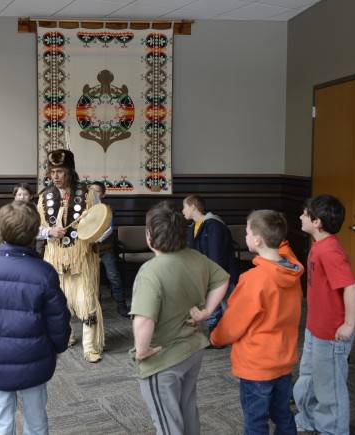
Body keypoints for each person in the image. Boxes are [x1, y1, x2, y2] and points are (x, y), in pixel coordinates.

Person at [0, 202, 71, 434]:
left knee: (0, 418)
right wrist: (58, 347)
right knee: (36, 419)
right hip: (34, 357)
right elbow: (58, 319)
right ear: (35, 232)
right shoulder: (44, 273)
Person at [131, 200, 229, 434]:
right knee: (187, 411)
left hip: (163, 360)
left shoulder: (150, 272)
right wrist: (206, 311)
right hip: (192, 351)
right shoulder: (195, 257)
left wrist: (142, 351)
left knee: (168, 425)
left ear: (148, 236)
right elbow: (222, 279)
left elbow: (144, 319)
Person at [207, 210, 303, 435]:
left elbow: (233, 323)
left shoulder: (254, 280)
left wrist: (215, 337)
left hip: (257, 366)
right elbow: (284, 249)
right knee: (283, 415)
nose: (246, 236)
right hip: (283, 361)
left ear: (258, 239)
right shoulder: (293, 270)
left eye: (248, 232)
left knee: (255, 422)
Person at [293, 194, 355, 435]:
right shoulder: (318, 245)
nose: (301, 216)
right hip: (315, 328)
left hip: (332, 335)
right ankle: (308, 419)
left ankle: (333, 430)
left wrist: (349, 324)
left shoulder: (330, 251)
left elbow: (351, 287)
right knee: (309, 379)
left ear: (317, 221)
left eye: (305, 213)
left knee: (329, 388)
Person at [37, 148, 109, 363]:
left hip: (82, 258)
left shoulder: (88, 194)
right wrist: (48, 231)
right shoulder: (44, 197)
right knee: (57, 302)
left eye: (59, 171)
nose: (55, 176)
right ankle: (67, 336)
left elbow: (102, 223)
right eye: (52, 172)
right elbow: (34, 227)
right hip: (55, 257)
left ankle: (91, 347)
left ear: (69, 170)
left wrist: (92, 237)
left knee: (86, 301)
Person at [182, 195, 239, 336]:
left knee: (229, 306)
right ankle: (216, 336)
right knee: (213, 306)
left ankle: (234, 334)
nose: (182, 211)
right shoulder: (192, 228)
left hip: (220, 275)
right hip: (206, 274)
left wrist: (211, 278)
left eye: (184, 207)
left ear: (193, 206)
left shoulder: (214, 226)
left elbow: (217, 255)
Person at [89, 181, 129, 316]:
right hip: (88, 249)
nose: (94, 193)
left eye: (98, 191)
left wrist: (96, 239)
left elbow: (109, 228)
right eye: (91, 191)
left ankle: (121, 304)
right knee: (91, 278)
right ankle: (94, 306)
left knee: (114, 277)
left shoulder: (107, 209)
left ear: (103, 194)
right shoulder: (85, 210)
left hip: (105, 248)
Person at [13, 182, 45, 256]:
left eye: (25, 194)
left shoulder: (37, 211)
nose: (22, 197)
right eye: (19, 195)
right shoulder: (10, 211)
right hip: (15, 247)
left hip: (32, 247)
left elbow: (40, 234)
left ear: (31, 196)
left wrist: (39, 255)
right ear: (15, 196)